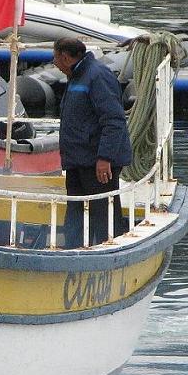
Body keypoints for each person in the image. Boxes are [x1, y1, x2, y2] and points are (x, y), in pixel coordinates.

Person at [52, 36, 133, 247]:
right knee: (76, 213)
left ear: (65, 57)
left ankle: (110, 252)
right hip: (78, 161)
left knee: (103, 214)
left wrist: (104, 157)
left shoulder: (96, 76)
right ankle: (75, 250)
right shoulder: (77, 76)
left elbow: (114, 120)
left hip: (96, 162)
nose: (54, 63)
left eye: (56, 58)